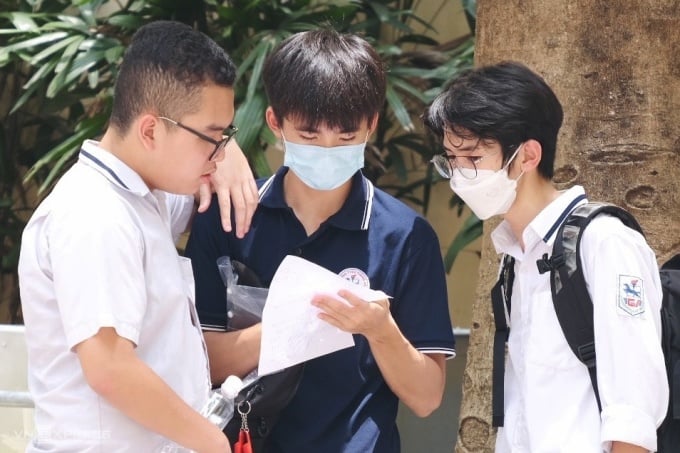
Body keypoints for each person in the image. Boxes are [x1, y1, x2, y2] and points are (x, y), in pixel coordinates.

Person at [186, 28, 456, 452]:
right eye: (310, 135)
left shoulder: (406, 236)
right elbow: (197, 362)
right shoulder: (226, 216)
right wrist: (290, 323)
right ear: (276, 122)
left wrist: (380, 330)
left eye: (346, 136)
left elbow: (427, 397)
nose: (328, 148)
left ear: (371, 125)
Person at [18, 20, 258, 452]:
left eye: (227, 135)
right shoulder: (94, 212)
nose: (219, 154)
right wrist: (211, 441)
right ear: (150, 130)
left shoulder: (145, 195)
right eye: (213, 137)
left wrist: (225, 150)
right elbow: (109, 367)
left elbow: (199, 196)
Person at [424, 61, 668, 452]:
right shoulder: (516, 258)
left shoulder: (604, 243)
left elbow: (634, 412)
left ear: (527, 156)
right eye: (451, 160)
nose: (459, 176)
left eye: (472, 159)